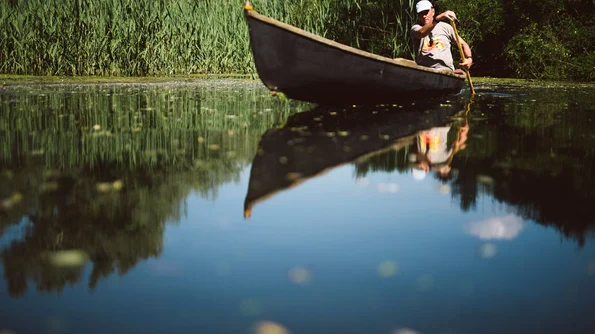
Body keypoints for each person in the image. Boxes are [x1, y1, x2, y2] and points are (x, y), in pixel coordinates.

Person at [410, 0, 473, 74]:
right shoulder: (416, 28)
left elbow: (463, 44)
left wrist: (469, 59)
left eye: (426, 12)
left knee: (459, 72)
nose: (424, 16)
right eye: (421, 14)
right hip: (425, 70)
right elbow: (421, 33)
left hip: (446, 70)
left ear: (433, 11)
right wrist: (438, 18)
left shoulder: (446, 27)